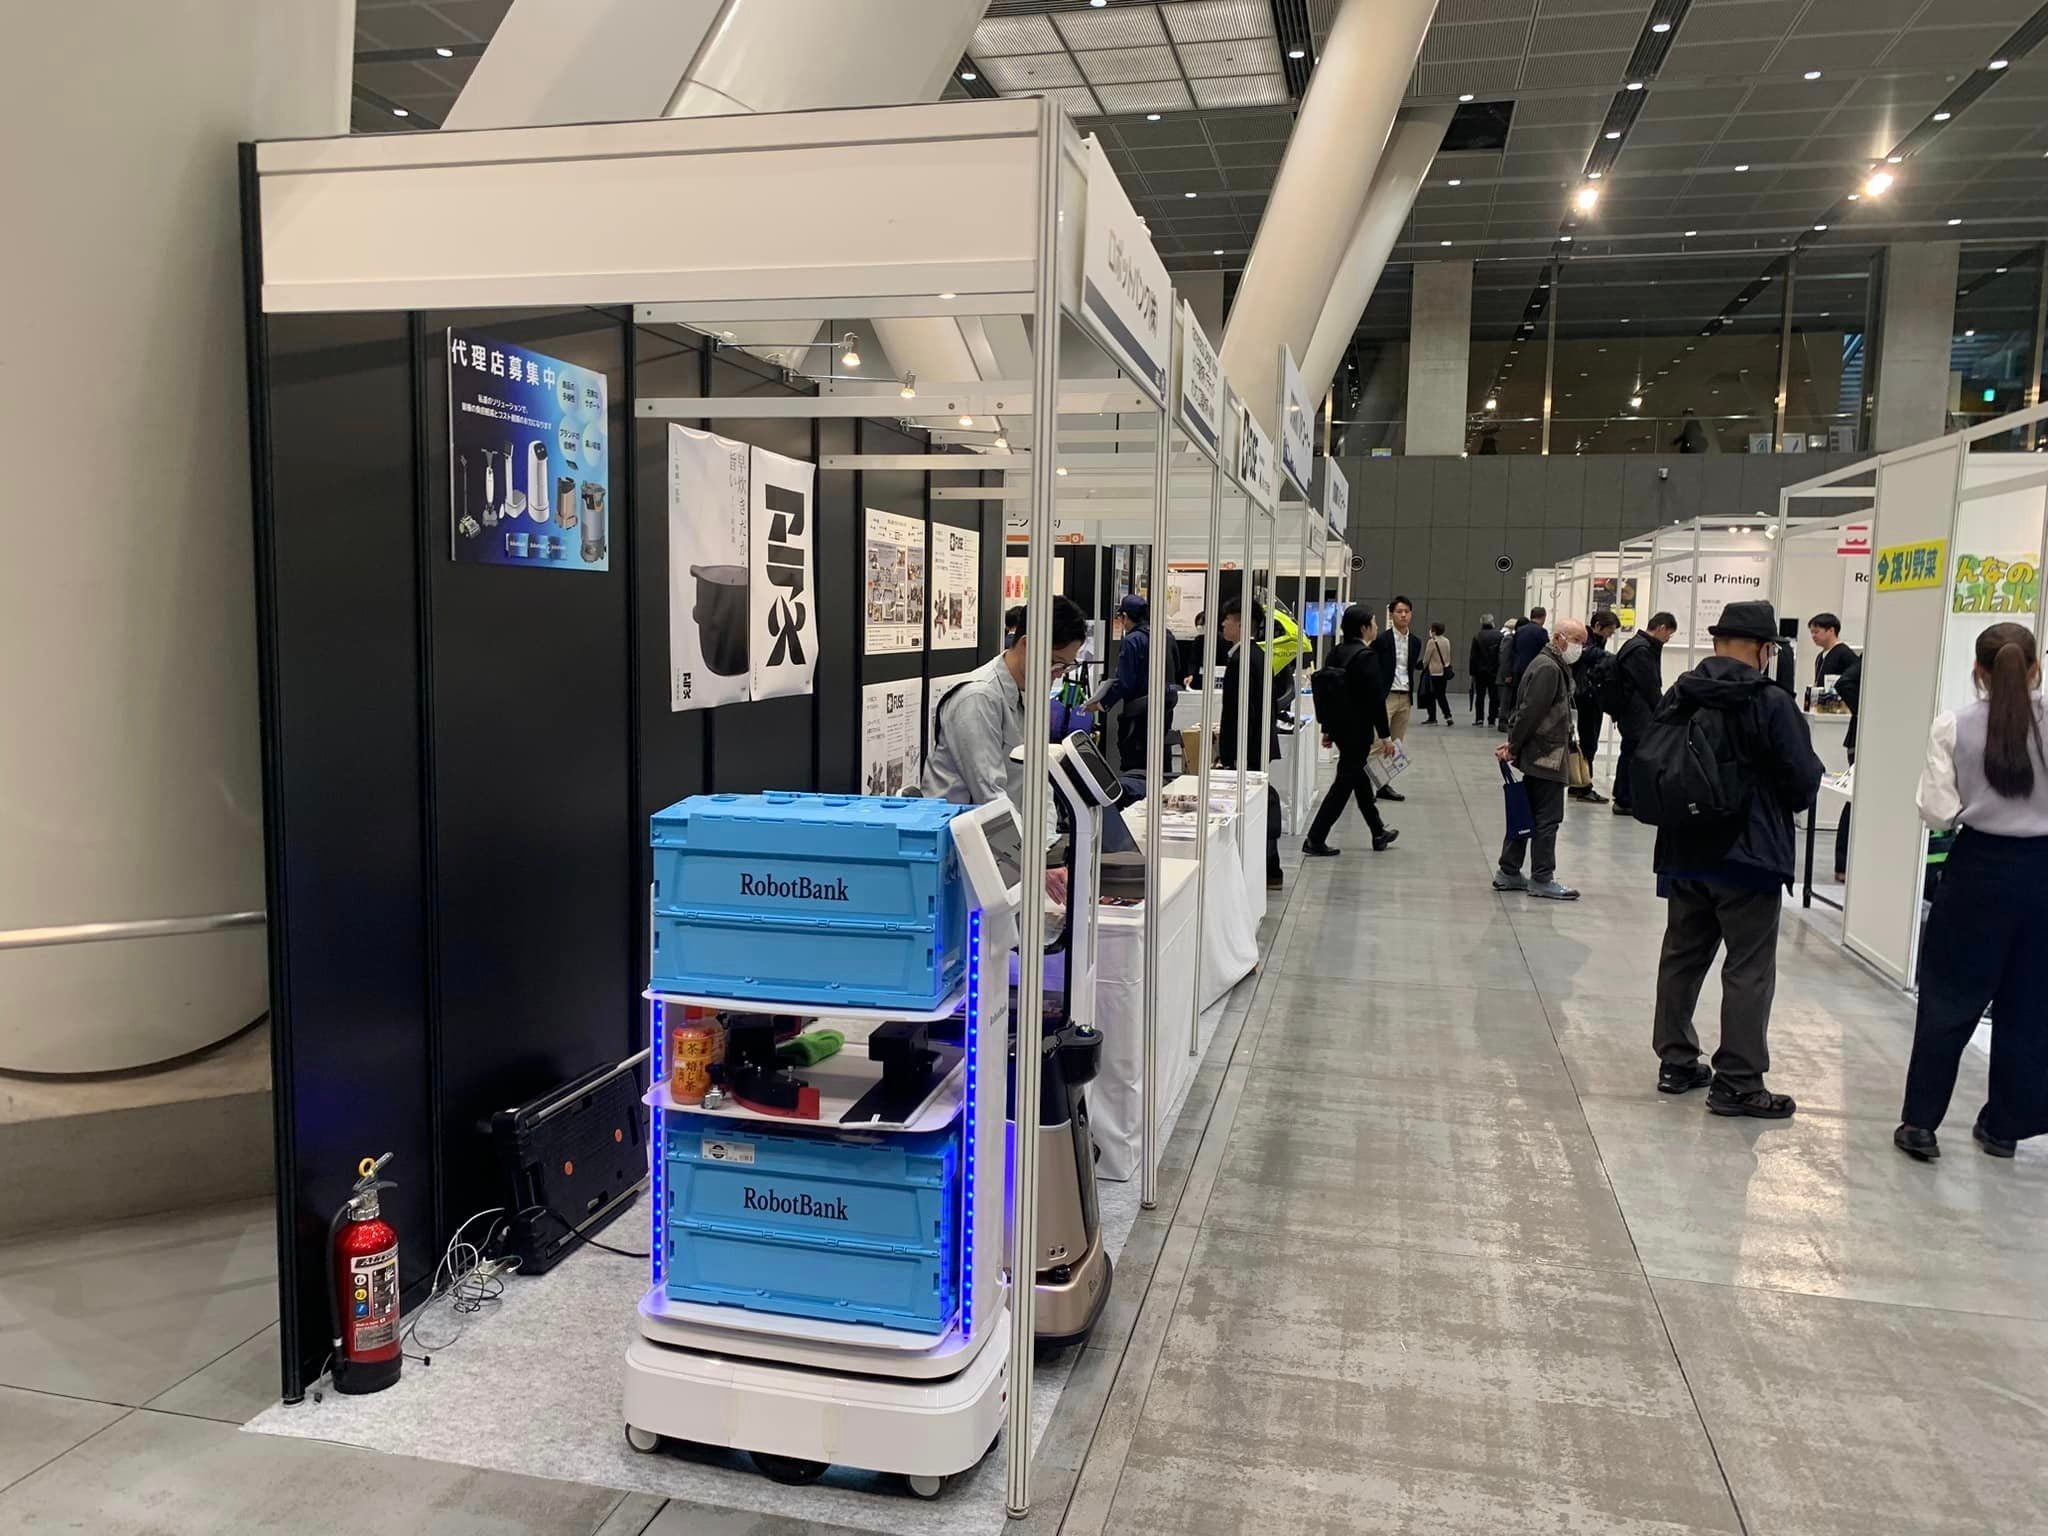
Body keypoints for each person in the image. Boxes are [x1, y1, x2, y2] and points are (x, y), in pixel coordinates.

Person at [1648, 600, 1823, 1119]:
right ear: (1765, 650)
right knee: (1748, 967)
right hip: (1749, 854)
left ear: (1716, 642)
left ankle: (1676, 1061)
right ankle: (1739, 1082)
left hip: (1684, 848)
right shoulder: (1770, 703)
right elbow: (1802, 780)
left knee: (1682, 956)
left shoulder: (1682, 693)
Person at [1896, 622, 2048, 1162]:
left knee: (1949, 999)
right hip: (2042, 875)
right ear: (2035, 667)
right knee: (2031, 1005)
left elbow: (1937, 811)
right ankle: (2005, 1126)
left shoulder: (1954, 725)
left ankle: (1921, 1123)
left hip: (1978, 870)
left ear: (1979, 671)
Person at [925, 593, 1089, 807]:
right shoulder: (978, 699)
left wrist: (1046, 828)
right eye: (1055, 663)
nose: (1058, 673)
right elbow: (990, 796)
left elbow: (1041, 782)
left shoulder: (1031, 692)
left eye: (1066, 666)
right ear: (1027, 644)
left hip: (1015, 823)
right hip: (968, 825)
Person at [1493, 618, 1585, 901]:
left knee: (1526, 813)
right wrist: (1514, 745)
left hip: (1540, 753)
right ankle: (1542, 877)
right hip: (1547, 755)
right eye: (1576, 640)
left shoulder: (1548, 664)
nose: (1580, 647)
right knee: (1548, 818)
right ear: (1558, 638)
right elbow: (1531, 712)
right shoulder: (1549, 668)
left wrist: (1516, 743)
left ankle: (1509, 870)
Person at [1302, 604, 1398, 857]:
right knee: (1343, 785)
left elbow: (1328, 695)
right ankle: (1315, 837)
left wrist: (1328, 730)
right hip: (1358, 730)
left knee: (1358, 777)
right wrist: (1386, 736)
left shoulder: (1335, 653)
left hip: (1340, 729)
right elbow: (1375, 700)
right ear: (1364, 628)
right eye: (1374, 623)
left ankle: (1378, 831)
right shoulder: (1366, 657)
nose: (1377, 627)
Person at [1217, 596, 1284, 890]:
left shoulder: (1242, 659)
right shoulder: (1256, 655)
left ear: (1242, 623)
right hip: (1255, 745)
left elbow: (1242, 712)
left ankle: (1265, 868)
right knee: (1257, 806)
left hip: (1247, 748)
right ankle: (1269, 869)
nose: (1223, 624)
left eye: (1227, 619)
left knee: (1252, 811)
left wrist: (1231, 753)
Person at [1086, 593, 1179, 775]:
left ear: (1126, 616)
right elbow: (1177, 668)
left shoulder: (1132, 640)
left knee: (1135, 768)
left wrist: (1102, 703)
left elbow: (1125, 683)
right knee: (1159, 760)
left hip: (1138, 714)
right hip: (1165, 709)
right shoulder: (1166, 636)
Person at [1610, 611, 1677, 816]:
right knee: (1633, 755)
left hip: (1631, 712)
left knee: (1630, 753)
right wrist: (1663, 709)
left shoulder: (1635, 645)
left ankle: (1625, 796)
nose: (1668, 638)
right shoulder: (1642, 650)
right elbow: (1649, 685)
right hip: (1637, 714)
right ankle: (1625, 798)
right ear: (1661, 628)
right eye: (1669, 633)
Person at [1370, 595, 1424, 800]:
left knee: (1396, 744)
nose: (1403, 615)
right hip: (1387, 696)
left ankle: (1383, 785)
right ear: (1391, 614)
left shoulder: (1416, 642)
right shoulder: (1381, 640)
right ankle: (1367, 787)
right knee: (1378, 742)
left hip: (1405, 697)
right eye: (1399, 611)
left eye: (1406, 611)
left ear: (1411, 614)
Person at [1568, 611, 1620, 804]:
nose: (1611, 635)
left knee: (1588, 742)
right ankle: (1584, 787)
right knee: (1588, 742)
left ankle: (1578, 784)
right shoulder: (1587, 640)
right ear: (1598, 626)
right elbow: (1588, 655)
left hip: (1588, 696)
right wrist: (1613, 658)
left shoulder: (1596, 641)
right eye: (1610, 630)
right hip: (1587, 697)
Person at [1506, 606, 1549, 724]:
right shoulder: (1541, 632)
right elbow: (1546, 650)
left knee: (1517, 696)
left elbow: (1513, 650)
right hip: (1534, 670)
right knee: (1531, 698)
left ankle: (1514, 719)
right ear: (1543, 617)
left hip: (1518, 669)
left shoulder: (1520, 630)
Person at [1807, 613, 1855, 695]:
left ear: (1831, 630)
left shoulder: (1845, 653)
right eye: (1812, 632)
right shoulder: (1820, 656)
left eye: (1816, 632)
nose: (1813, 636)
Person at [1422, 621, 1456, 726]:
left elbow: (1426, 658)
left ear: (1433, 630)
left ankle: (1432, 718)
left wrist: (1423, 666)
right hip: (1444, 671)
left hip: (1434, 672)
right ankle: (1448, 716)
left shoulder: (1432, 642)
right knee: (1441, 695)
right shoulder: (1446, 641)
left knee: (1431, 695)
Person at [1469, 613, 1500, 726]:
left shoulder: (1477, 636)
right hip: (1494, 671)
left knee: (1480, 696)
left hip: (1480, 671)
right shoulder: (1499, 635)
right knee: (1494, 696)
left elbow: (1473, 656)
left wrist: (1472, 672)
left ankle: (1479, 719)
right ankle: (1491, 719)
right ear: (1492, 622)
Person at [1495, 617, 1520, 733]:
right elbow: (1504, 658)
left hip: (1505, 675)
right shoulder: (1509, 639)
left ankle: (1505, 721)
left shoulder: (1508, 638)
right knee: (1505, 700)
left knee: (1507, 700)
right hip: (1506, 676)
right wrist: (1507, 674)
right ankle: (1503, 722)